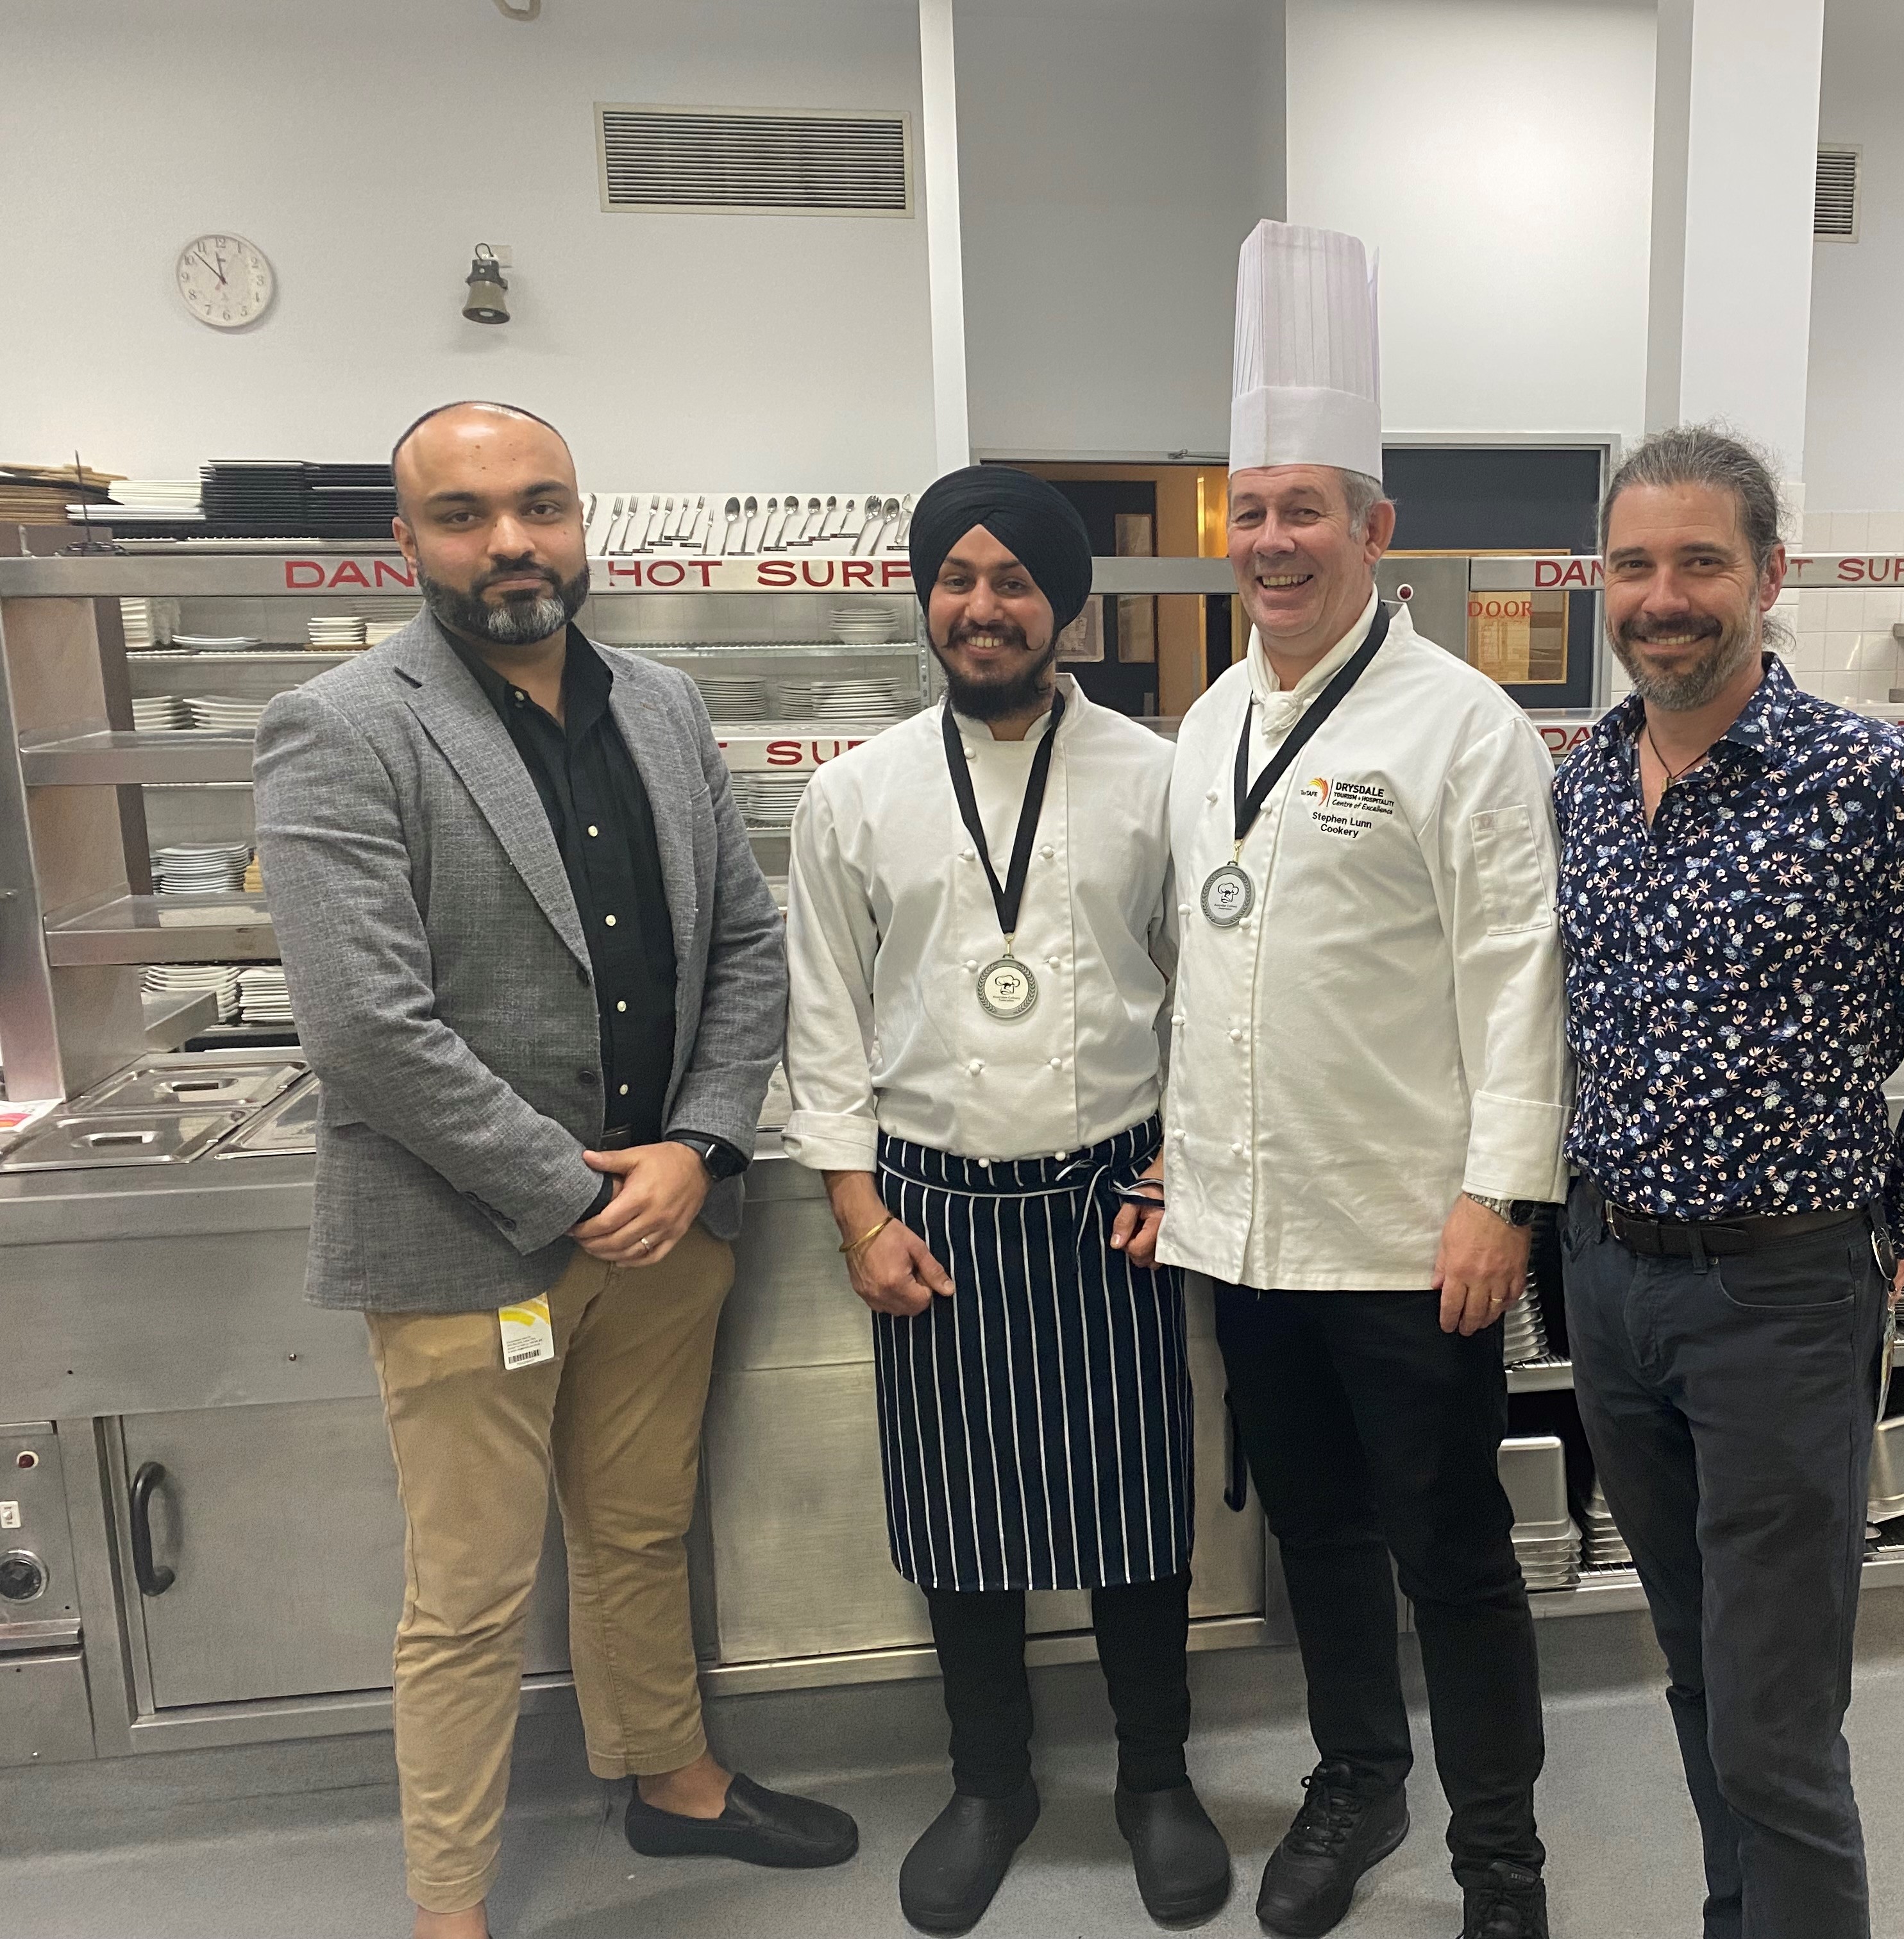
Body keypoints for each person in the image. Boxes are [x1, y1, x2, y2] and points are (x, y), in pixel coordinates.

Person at [253, 401, 857, 1939]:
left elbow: (743, 947)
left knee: (639, 1530)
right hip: (471, 1245)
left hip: (674, 1223)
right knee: (466, 1599)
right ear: (409, 543)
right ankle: (448, 1908)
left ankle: (674, 1781)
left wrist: (701, 1147)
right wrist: (580, 1190)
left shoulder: (661, 706)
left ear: (584, 521)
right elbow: (366, 1030)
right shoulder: (343, 726)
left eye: (539, 505)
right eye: (463, 515)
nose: (509, 542)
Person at [1551, 424, 1904, 1939]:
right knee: (1697, 1669)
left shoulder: (1885, 787)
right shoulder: (1582, 784)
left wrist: (1879, 1228)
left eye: (1701, 561)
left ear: (1772, 575)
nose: (1664, 595)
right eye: (1635, 565)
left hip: (1778, 1294)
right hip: (1614, 1285)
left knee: (1775, 1716)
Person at [1160, 221, 1570, 1939]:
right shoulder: (1204, 728)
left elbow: (1516, 974)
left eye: (1303, 509)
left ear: (1374, 529)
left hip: (1414, 1241)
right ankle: (1358, 1786)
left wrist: (1500, 1196)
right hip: (1248, 1239)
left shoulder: (1460, 723)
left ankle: (1502, 1861)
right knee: (1313, 1543)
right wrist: (1177, 1179)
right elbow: (1207, 979)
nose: (1271, 542)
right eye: (1249, 512)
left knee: (1455, 1557)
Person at [782, 466, 1229, 1934]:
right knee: (960, 1514)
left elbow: (1209, 1005)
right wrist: (857, 1216)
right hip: (932, 1213)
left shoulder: (1161, 778)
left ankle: (1155, 1780)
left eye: (1016, 580)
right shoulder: (854, 795)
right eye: (959, 578)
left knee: (1134, 1508)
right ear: (926, 600)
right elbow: (824, 1026)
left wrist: (1183, 1166)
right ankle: (991, 1782)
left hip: (1115, 1197)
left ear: (1067, 606)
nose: (985, 606)